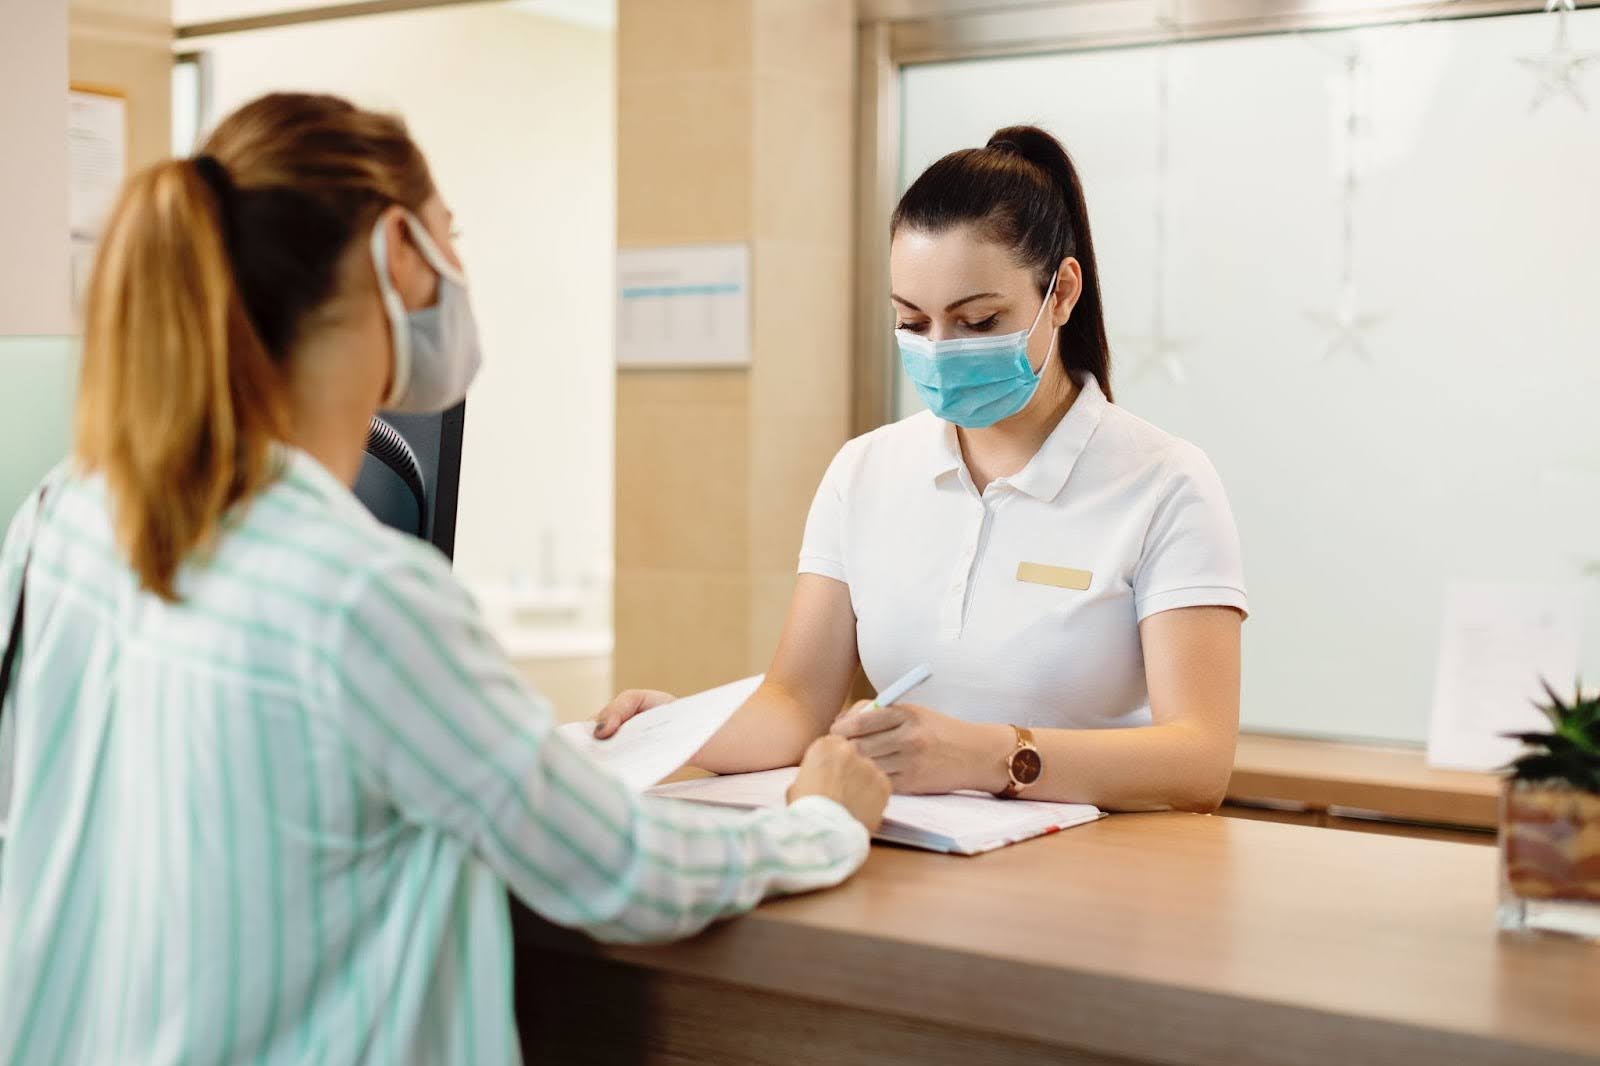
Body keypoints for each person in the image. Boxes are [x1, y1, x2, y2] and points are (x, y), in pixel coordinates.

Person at [0, 92, 888, 1065]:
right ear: (399, 253)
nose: (462, 273)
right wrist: (817, 825)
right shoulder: (360, 592)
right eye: (451, 238)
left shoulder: (65, 513)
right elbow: (613, 868)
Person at [599, 125, 1246, 813]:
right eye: (912, 322)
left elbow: (1198, 757)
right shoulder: (865, 471)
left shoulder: (1165, 482)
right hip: (908, 862)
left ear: (1060, 293)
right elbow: (795, 704)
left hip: (1092, 880)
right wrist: (674, 731)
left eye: (977, 321)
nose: (939, 351)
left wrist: (987, 755)